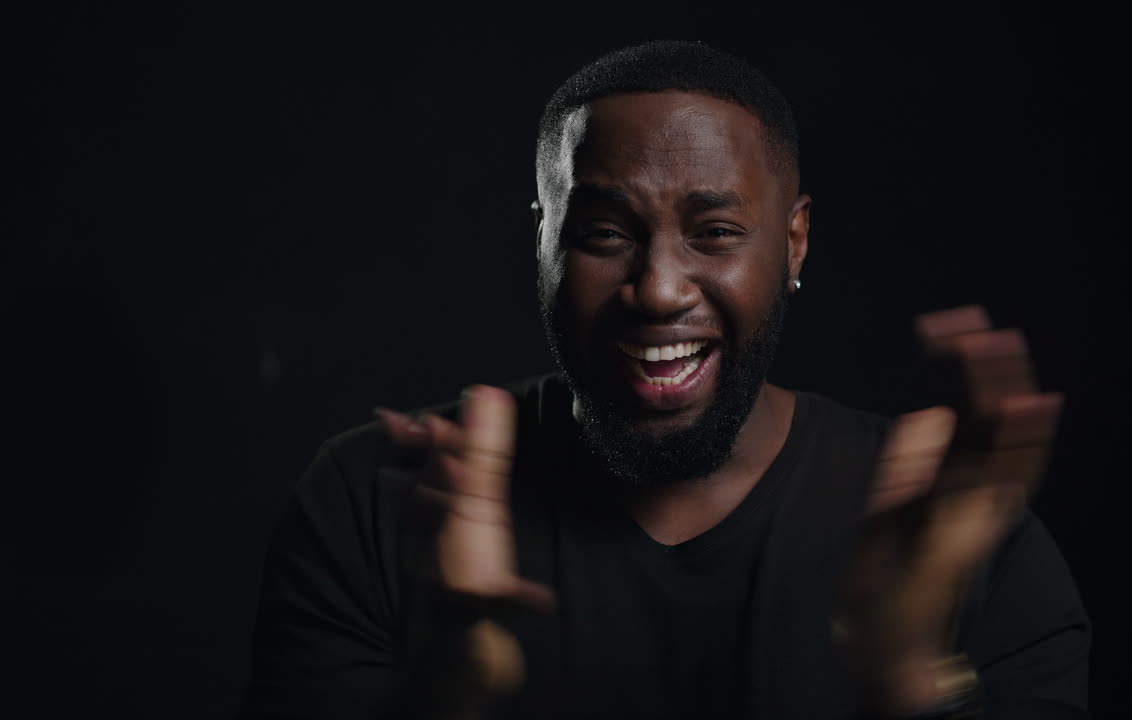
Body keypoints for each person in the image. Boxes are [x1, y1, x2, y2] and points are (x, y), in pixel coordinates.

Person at [239, 40, 1089, 719]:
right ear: (543, 245)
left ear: (793, 244)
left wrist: (908, 675)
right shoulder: (376, 503)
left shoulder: (956, 539)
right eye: (604, 233)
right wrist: (449, 692)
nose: (659, 288)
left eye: (715, 232)